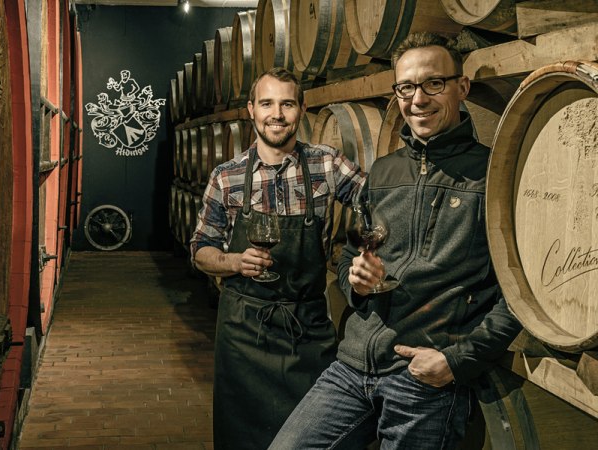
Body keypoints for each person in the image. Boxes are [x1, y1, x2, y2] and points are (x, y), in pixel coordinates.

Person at [268, 33, 523, 450]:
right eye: (406, 87)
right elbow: (355, 252)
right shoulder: (383, 172)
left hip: (423, 378)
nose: (418, 99)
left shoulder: (492, 176)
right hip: (352, 367)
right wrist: (357, 280)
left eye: (433, 84)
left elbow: (519, 293)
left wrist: (456, 361)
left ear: (462, 87)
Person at [190, 67, 366, 450]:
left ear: (302, 109)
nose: (277, 114)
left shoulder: (327, 164)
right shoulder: (227, 176)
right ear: (251, 110)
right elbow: (201, 249)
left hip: (307, 326)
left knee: (317, 435)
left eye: (287, 103)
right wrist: (234, 262)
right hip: (243, 330)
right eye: (267, 103)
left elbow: (377, 201)